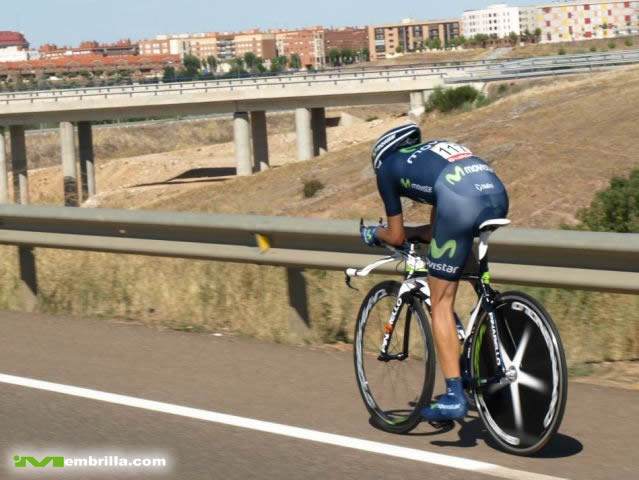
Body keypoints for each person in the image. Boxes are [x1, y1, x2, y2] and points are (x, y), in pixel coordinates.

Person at [361, 123, 509, 422]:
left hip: (458, 201)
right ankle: (491, 320)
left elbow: (396, 236)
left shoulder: (386, 168)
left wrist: (374, 233)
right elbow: (433, 230)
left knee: (441, 303)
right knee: (465, 267)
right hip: (495, 193)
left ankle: (454, 395)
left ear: (380, 155)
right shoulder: (430, 154)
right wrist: (415, 233)